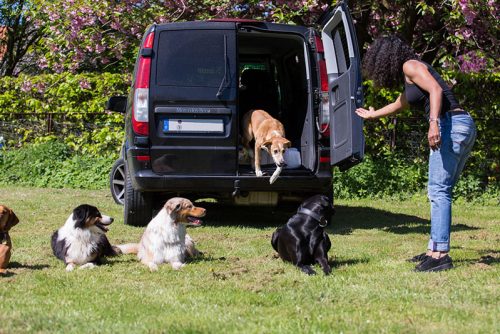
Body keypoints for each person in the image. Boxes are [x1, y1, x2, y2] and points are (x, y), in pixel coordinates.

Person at [355, 35, 476, 272]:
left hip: (449, 124)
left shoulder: (410, 65)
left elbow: (436, 90)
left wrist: (433, 123)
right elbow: (402, 103)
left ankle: (440, 256)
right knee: (440, 190)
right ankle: (433, 250)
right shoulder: (412, 73)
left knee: (439, 191)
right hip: (461, 124)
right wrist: (373, 115)